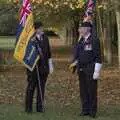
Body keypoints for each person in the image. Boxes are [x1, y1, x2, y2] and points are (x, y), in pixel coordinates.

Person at [69, 22, 102, 118]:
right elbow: (78, 54)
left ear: (87, 29)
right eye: (80, 28)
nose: (80, 30)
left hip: (90, 69)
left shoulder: (94, 40)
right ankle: (85, 110)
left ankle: (92, 111)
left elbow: (98, 56)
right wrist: (75, 62)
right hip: (81, 69)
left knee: (91, 91)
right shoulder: (81, 40)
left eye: (81, 28)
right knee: (83, 91)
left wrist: (96, 71)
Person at [25, 22, 53, 113]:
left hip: (43, 67)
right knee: (31, 87)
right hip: (33, 67)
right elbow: (28, 54)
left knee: (41, 88)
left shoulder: (45, 38)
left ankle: (39, 108)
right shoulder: (31, 39)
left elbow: (48, 51)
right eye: (40, 28)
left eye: (42, 28)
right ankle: (28, 108)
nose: (42, 30)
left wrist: (50, 64)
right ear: (36, 29)